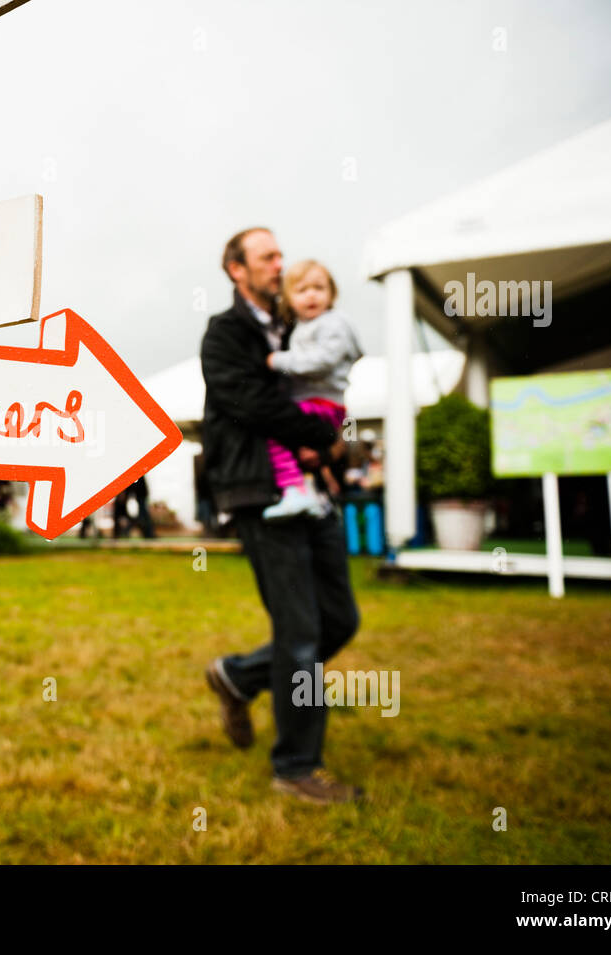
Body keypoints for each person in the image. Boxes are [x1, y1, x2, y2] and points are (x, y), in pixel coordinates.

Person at [200, 227, 362, 805]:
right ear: (236, 270)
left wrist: (334, 443)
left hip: (314, 491)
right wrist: (324, 434)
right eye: (267, 256)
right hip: (261, 495)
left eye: (280, 255)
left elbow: (327, 390)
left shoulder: (299, 327)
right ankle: (296, 767)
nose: (279, 264)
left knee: (339, 621)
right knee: (300, 636)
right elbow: (252, 404)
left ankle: (240, 675)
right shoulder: (225, 334)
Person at [261, 259, 363, 520]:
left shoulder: (332, 323)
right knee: (301, 450)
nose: (311, 295)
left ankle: (293, 489)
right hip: (317, 400)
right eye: (302, 289)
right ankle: (309, 495)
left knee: (274, 428)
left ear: (331, 294)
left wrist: (278, 361)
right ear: (289, 298)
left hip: (321, 402)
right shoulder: (303, 327)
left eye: (318, 288)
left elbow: (321, 361)